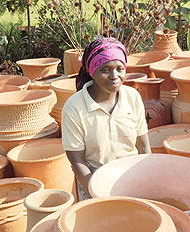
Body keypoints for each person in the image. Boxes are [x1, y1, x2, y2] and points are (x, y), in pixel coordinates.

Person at [61, 37, 151, 196]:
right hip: (92, 180)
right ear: (91, 71)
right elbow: (77, 161)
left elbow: (143, 147)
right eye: (105, 70)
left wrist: (146, 180)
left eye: (119, 69)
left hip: (132, 177)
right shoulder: (74, 107)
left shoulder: (132, 97)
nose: (114, 76)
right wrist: (98, 193)